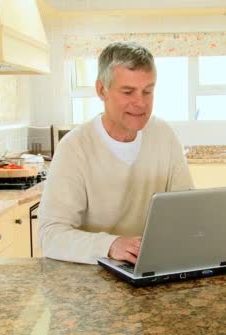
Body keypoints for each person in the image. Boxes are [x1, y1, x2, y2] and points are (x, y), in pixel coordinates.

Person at [38, 42, 194, 265]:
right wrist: (110, 245)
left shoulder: (164, 136)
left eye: (148, 91)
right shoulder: (74, 147)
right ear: (102, 90)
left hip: (149, 270)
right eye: (128, 91)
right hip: (90, 277)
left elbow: (186, 212)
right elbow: (51, 235)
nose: (141, 103)